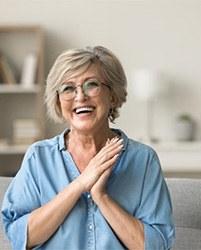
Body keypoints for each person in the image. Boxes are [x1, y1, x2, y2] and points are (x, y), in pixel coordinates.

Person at [1, 46, 175, 249]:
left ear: (113, 96)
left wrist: (101, 197)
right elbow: (20, 237)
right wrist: (80, 184)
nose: (80, 97)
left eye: (91, 85)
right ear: (58, 101)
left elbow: (157, 245)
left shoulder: (143, 160)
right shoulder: (39, 157)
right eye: (68, 88)